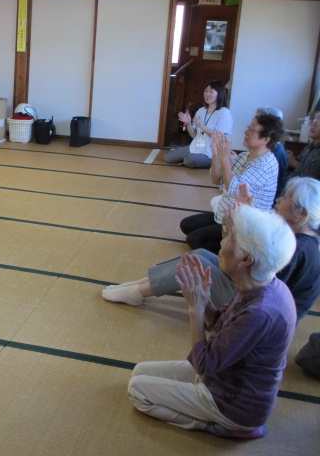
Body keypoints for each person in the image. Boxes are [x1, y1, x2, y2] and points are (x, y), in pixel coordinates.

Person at [127, 205, 297, 439]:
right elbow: (221, 326)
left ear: (245, 260)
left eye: (231, 239)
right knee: (139, 371)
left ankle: (221, 427)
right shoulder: (258, 284)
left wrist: (195, 310)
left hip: (233, 404)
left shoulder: (259, 312)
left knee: (136, 391)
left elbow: (205, 364)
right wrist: (204, 300)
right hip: (222, 377)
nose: (222, 243)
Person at [103, 178, 320, 323]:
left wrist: (237, 223)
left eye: (286, 197)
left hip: (257, 313)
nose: (279, 199)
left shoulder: (298, 249)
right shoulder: (298, 240)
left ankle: (138, 292)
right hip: (257, 298)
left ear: (301, 214)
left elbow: (254, 280)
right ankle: (141, 286)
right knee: (201, 254)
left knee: (198, 265)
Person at [179, 112, 282, 253]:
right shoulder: (245, 156)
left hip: (244, 228)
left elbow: (234, 189)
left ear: (265, 139)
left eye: (252, 129)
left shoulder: (264, 164)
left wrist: (225, 159)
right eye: (248, 127)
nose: (246, 132)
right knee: (186, 225)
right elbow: (216, 179)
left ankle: (240, 252)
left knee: (194, 239)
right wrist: (216, 155)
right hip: (227, 216)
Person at [165, 80, 232, 169]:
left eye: (211, 92)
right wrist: (188, 124)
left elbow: (221, 137)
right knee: (168, 157)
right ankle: (188, 160)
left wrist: (201, 126)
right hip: (195, 147)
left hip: (211, 152)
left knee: (190, 160)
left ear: (219, 94)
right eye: (206, 91)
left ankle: (208, 162)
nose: (207, 94)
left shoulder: (224, 112)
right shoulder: (201, 110)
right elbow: (194, 135)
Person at [287, 112, 320, 181]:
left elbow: (313, 175)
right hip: (292, 180)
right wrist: (291, 157)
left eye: (316, 125)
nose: (311, 127)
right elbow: (299, 161)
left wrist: (294, 163)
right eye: (312, 124)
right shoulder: (310, 146)